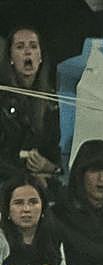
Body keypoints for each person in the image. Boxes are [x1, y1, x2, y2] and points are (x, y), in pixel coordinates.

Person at [0, 25, 60, 187]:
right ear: (10, 58)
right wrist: (27, 178)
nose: (28, 52)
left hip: (38, 182)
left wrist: (50, 167)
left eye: (33, 46)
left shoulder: (51, 101)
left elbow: (54, 154)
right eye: (20, 47)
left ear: (40, 57)